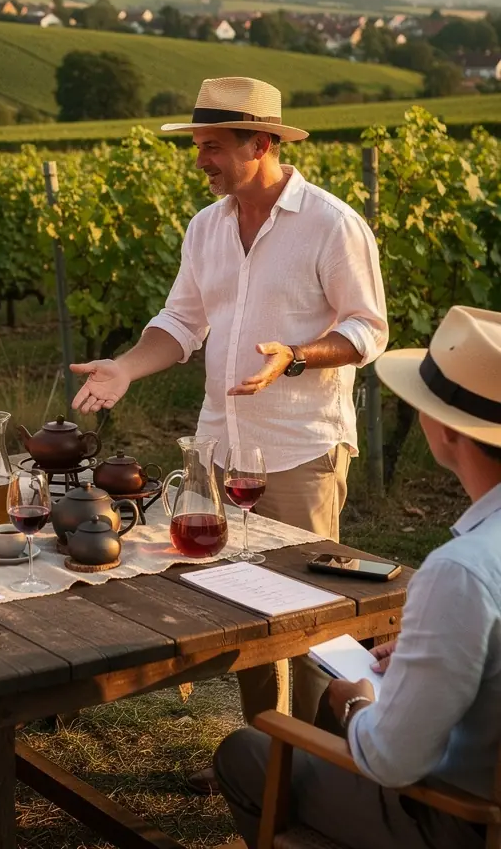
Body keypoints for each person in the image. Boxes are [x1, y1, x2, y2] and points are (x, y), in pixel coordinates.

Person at [71, 76, 388, 790]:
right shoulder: (207, 226)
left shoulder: (331, 223)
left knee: (307, 620)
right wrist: (125, 368)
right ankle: (269, 762)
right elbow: (181, 323)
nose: (200, 159)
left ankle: (314, 780)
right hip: (222, 451)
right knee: (246, 614)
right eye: (198, 145)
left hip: (302, 447)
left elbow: (369, 328)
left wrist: (298, 356)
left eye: (213, 146)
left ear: (264, 143)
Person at [215, 305, 501, 849]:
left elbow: (392, 760)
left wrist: (354, 702)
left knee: (245, 752)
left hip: (455, 821)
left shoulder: (460, 573)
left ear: (442, 429)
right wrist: (423, 660)